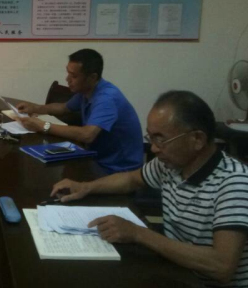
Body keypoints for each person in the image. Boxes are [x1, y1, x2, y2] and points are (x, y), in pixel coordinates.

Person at [51, 91, 248, 287]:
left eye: (160, 139)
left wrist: (138, 233)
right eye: (151, 138)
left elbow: (221, 266)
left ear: (197, 139)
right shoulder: (171, 163)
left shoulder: (234, 182)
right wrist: (86, 187)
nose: (153, 148)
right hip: (178, 269)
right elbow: (131, 179)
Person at [16, 49, 143, 173]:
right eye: (68, 73)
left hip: (119, 169)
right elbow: (64, 108)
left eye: (74, 76)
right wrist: (35, 108)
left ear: (92, 77)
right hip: (97, 157)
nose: (67, 79)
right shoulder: (86, 91)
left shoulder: (106, 99)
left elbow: (87, 135)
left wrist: (43, 126)